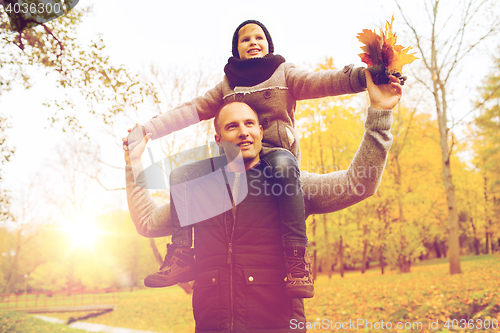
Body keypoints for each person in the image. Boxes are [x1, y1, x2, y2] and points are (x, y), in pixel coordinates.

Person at [124, 70, 402, 333]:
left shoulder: (290, 184)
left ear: (260, 131)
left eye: (249, 124)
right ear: (218, 140)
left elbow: (358, 184)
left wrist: (380, 113)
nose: (243, 132)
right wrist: (132, 165)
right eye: (232, 126)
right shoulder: (198, 191)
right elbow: (147, 222)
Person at [126, 19, 372, 297]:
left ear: (268, 45)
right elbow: (192, 109)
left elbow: (322, 81)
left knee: (285, 166)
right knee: (181, 175)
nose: (253, 42)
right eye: (245, 39)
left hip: (276, 155)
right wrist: (148, 130)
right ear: (236, 49)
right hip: (233, 159)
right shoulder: (227, 85)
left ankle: (295, 260)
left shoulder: (284, 73)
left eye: (259, 37)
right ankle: (182, 254)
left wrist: (363, 77)